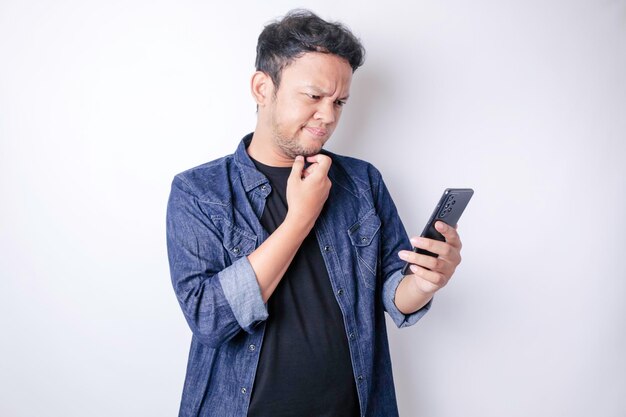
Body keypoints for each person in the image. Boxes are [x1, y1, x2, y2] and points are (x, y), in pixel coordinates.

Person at [166, 9, 463, 417]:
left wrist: (427, 281)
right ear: (262, 88)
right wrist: (300, 218)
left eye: (339, 101)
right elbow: (209, 318)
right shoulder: (200, 192)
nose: (328, 116)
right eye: (313, 96)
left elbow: (395, 294)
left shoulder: (361, 182)